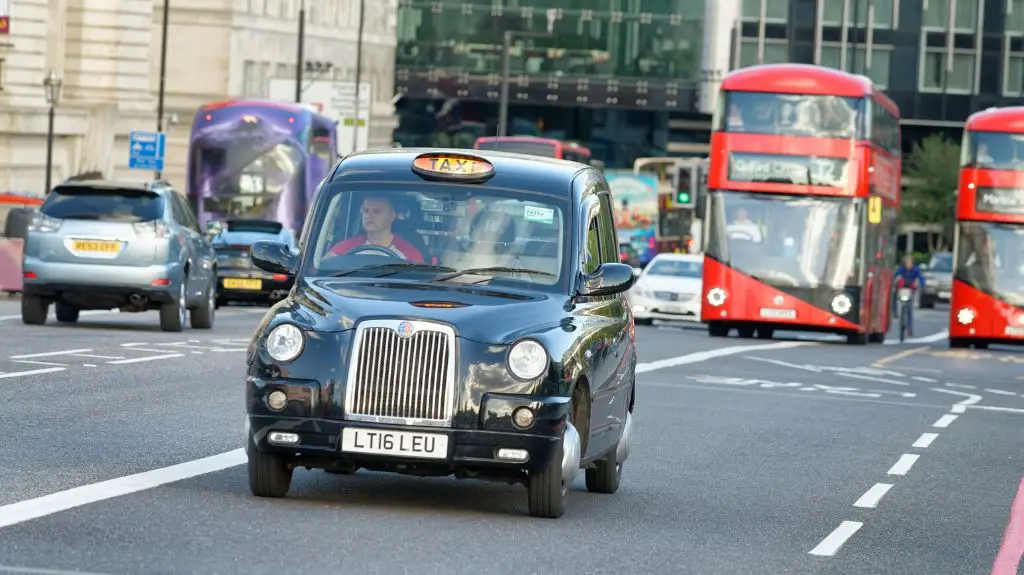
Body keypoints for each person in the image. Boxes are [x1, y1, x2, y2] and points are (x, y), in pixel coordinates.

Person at [327, 195, 425, 263]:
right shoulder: (346, 247)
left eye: (376, 211)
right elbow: (323, 267)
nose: (368, 215)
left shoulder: (408, 252)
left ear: (391, 217)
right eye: (365, 210)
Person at [893, 254, 925, 336]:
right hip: (902, 289)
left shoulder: (916, 270)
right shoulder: (901, 269)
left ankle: (909, 329)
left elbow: (921, 278)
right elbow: (895, 276)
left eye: (910, 263)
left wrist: (921, 285)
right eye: (907, 263)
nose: (908, 265)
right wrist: (895, 283)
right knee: (894, 295)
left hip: (910, 290)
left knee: (909, 310)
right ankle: (894, 312)